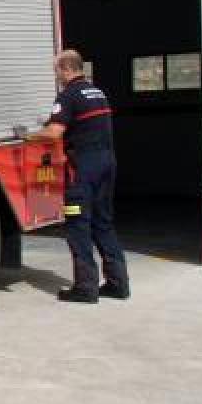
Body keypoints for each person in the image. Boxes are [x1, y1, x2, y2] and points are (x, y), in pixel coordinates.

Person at [27, 50, 130, 303]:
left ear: (66, 69)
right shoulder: (98, 92)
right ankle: (118, 283)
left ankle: (85, 288)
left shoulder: (69, 94)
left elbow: (54, 132)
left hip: (83, 169)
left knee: (78, 226)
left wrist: (29, 134)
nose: (57, 77)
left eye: (57, 72)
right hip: (107, 164)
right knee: (103, 224)